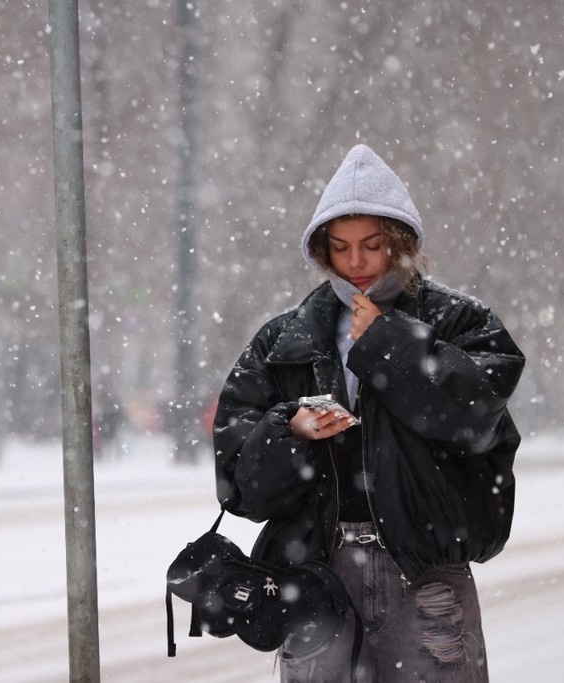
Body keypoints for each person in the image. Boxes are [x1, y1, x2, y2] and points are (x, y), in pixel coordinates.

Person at [212, 144, 525, 682]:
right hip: (316, 577)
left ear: (400, 244)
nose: (355, 262)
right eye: (339, 247)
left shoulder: (461, 323)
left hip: (427, 574)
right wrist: (289, 429)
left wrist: (388, 343)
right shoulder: (284, 338)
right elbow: (239, 483)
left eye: (372, 245)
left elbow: (474, 420)